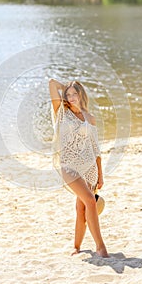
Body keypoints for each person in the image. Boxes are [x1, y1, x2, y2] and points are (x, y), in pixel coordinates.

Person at [49, 78, 108, 258]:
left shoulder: (90, 118)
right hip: (69, 165)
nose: (71, 97)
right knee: (90, 200)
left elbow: (95, 148)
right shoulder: (62, 112)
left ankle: (77, 246)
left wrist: (100, 174)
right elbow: (52, 83)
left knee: (81, 209)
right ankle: (101, 248)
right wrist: (65, 86)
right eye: (68, 94)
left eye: (75, 93)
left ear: (81, 95)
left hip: (89, 167)